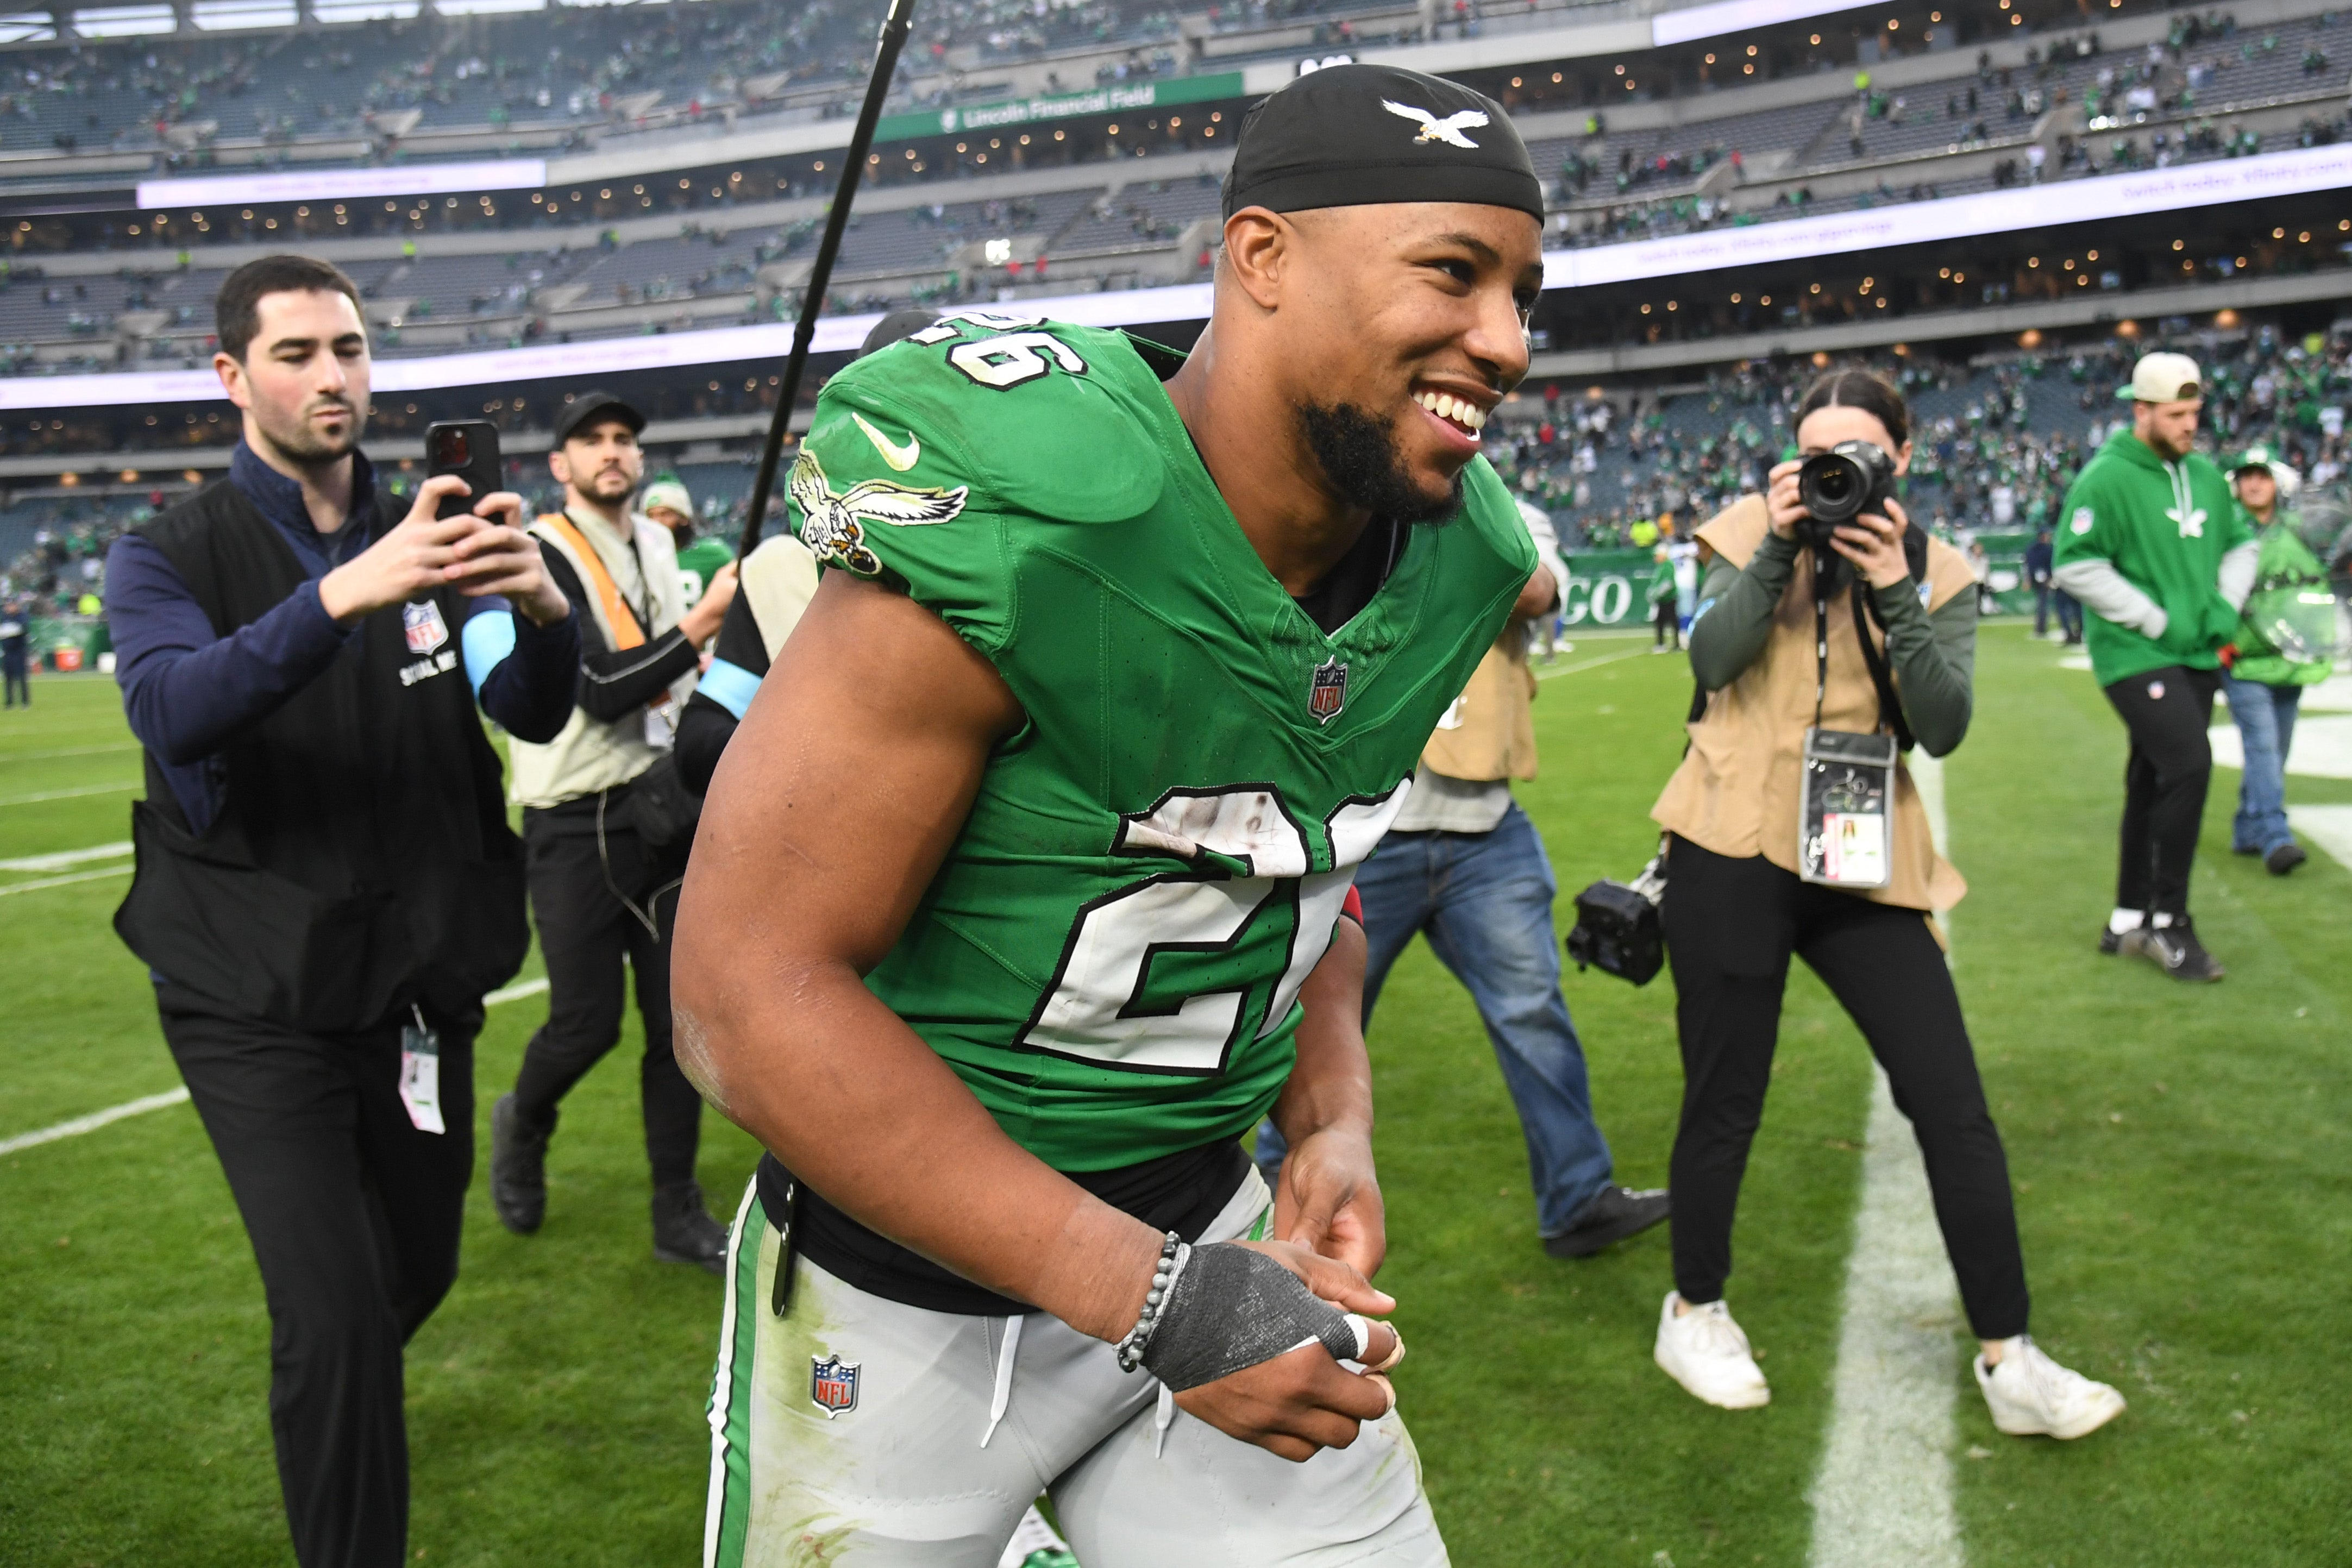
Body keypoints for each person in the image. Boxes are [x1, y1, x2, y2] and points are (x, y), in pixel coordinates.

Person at [673, 62, 1543, 1564]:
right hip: (905, 1300)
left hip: (1214, 1219)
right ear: (1260, 258)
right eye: (1454, 276)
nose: (1509, 342)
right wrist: (1159, 1297)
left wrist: (1332, 1114)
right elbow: (746, 996)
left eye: (1526, 288)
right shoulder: (1034, 507)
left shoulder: (1455, 552)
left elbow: (1304, 874)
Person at [102, 254, 579, 1568]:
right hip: (251, 986)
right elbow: (169, 706)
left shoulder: (437, 526)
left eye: (351, 350)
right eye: (300, 352)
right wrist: (344, 593)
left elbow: (527, 705)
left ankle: (336, 1393)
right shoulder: (166, 553)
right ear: (232, 376)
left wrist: (542, 609)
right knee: (337, 1321)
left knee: (411, 1276)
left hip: (419, 980)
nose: (333, 376)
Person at [1647, 368, 2125, 1440]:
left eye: (1853, 454)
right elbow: (1710, 657)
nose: (1831, 473)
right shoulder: (1739, 534)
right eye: (1813, 453)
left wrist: (1893, 589)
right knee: (1725, 1097)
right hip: (1730, 837)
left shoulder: (1937, 569)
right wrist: (1775, 548)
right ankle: (1693, 1309)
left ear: (1897, 461)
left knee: (1951, 1103)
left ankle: (2011, 1356)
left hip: (1863, 854)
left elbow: (1945, 724)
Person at [1254, 494, 1670, 1260]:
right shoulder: (1353, 494)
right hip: (1365, 832)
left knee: (1533, 1014)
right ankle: (1258, 1214)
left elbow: (1537, 588)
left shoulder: (1507, 509)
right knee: (1306, 1037)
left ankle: (1577, 1199)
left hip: (1485, 829)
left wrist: (1438, 497)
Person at [487, 390, 741, 1269]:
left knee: (674, 1024)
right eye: (591, 440)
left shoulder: (659, 539)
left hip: (657, 806)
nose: (612, 451)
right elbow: (598, 687)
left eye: (625, 438)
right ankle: (523, 1120)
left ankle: (677, 1210)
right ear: (558, 465)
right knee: (584, 1023)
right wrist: (703, 621)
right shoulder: (541, 550)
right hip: (571, 818)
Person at [2052, 352, 2257, 982]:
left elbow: (2242, 542)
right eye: (2177, 414)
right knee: (2190, 765)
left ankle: (2124, 919)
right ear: (2141, 411)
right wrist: (2154, 619)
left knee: (2150, 778)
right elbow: (2075, 563)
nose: (2191, 424)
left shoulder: (2205, 473)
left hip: (2196, 651)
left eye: (2195, 412)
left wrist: (2224, 604)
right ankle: (2170, 923)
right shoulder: (2105, 478)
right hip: (2136, 654)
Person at [2219, 446, 2331, 875]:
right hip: (2244, 661)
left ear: (2276, 483)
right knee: (2263, 745)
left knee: (2275, 750)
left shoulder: (2300, 532)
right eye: (2247, 475)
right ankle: (2274, 836)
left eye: (2262, 476)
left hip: (2292, 658)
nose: (2253, 483)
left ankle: (2247, 826)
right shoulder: (2225, 532)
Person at [644, 472, 735, 607]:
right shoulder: (639, 557)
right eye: (651, 516)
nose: (657, 522)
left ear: (684, 518)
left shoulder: (715, 556)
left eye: (665, 514)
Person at [1648, 541, 1681, 651]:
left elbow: (1668, 583)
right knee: (1661, 622)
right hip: (1664, 599)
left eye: (1657, 555)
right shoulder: (1662, 566)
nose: (1655, 558)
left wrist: (1656, 594)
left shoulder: (1667, 565)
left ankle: (1675, 644)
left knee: (1671, 621)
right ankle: (1663, 643)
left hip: (1669, 598)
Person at [2025, 524, 2056, 637]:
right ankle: (2041, 628)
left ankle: (2040, 627)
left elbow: (2027, 565)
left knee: (2042, 603)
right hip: (2045, 579)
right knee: (2043, 604)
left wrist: (2028, 579)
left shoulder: (2032, 549)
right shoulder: (2047, 549)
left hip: (2037, 579)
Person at [0, 598, 26, 705]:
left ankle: (25, 701)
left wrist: (7, 631)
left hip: (19, 651)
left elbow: (21, 629)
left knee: (21, 677)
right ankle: (10, 702)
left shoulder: (22, 616)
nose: (8, 608)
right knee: (8, 678)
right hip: (8, 651)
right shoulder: (5, 617)